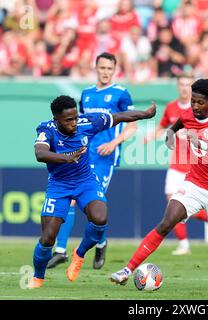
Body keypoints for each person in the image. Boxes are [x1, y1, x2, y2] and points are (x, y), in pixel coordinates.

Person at [110, 79, 208, 291]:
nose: (195, 106)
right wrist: (171, 140)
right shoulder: (187, 116)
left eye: (200, 102)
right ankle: (127, 270)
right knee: (166, 222)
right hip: (193, 184)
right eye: (193, 101)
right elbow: (171, 132)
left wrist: (200, 143)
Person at [27, 95, 156, 289]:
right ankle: (38, 278)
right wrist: (66, 158)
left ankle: (79, 255)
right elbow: (40, 153)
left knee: (100, 218)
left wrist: (144, 115)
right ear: (56, 119)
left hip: (85, 181)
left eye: (75, 118)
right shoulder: (47, 129)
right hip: (59, 185)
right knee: (47, 238)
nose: (74, 123)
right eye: (68, 120)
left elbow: (119, 116)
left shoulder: (88, 122)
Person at [47, 52, 138, 270]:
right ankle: (60, 251)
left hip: (106, 155)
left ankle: (101, 242)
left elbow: (132, 124)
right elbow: (77, 125)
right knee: (72, 199)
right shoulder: (86, 95)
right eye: (102, 68)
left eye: (109, 69)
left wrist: (114, 143)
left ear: (114, 70)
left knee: (93, 203)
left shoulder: (121, 94)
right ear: (95, 68)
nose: (105, 72)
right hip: (84, 156)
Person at [144, 73, 208, 255]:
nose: (184, 88)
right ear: (177, 86)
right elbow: (163, 126)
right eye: (182, 84)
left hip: (195, 166)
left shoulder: (200, 108)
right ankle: (184, 243)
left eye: (188, 85)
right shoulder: (171, 108)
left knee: (186, 205)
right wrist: (152, 136)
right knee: (172, 202)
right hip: (176, 164)